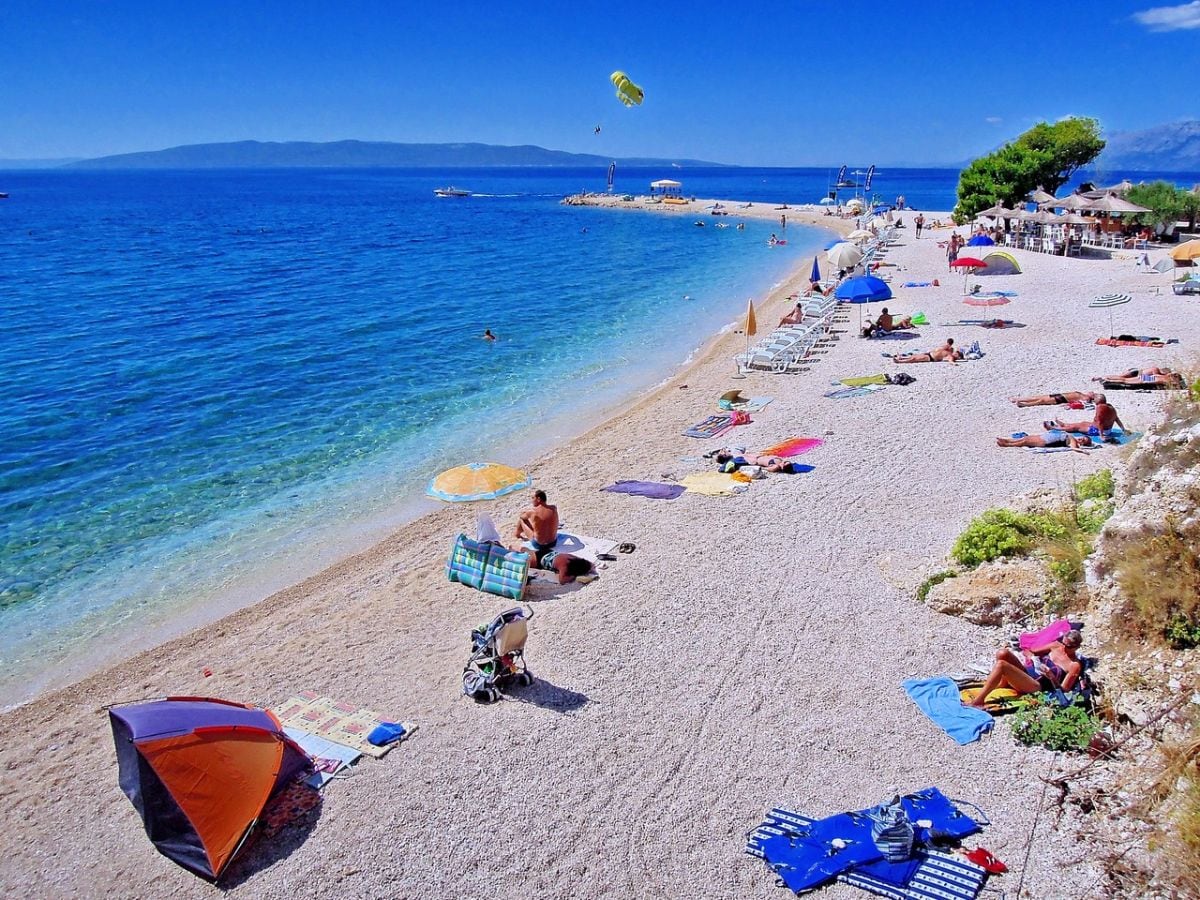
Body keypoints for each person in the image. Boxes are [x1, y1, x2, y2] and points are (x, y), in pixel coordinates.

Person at [967, 630, 1084, 709]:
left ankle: (979, 701)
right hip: (1028, 672)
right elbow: (1029, 650)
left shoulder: (1074, 665)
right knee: (1002, 653)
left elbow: (1064, 689)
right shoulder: (1055, 646)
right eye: (1063, 643)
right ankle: (1003, 683)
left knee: (1001, 665)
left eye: (1068, 647)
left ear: (1076, 647)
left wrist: (1052, 676)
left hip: (1037, 685)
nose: (1064, 648)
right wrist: (1034, 659)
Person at [1044, 395, 1127, 438]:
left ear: (1099, 401)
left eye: (1095, 401)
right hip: (1106, 429)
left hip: (1098, 430)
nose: (1094, 402)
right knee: (1082, 423)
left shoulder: (1100, 408)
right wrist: (1123, 429)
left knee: (1076, 428)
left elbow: (1100, 422)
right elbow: (1117, 419)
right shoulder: (1110, 407)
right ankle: (1063, 424)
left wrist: (1101, 435)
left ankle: (1054, 428)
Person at [514, 489, 559, 565]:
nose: (532, 501)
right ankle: (518, 534)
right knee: (540, 524)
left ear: (538, 499)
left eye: (532, 498)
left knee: (522, 520)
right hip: (553, 543)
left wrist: (524, 512)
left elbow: (522, 516)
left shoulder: (532, 511)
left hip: (539, 545)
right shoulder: (553, 508)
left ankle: (517, 534)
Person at [711, 449, 803, 474]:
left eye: (785, 463)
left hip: (756, 461)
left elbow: (769, 469)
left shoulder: (776, 466)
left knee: (738, 456)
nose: (785, 461)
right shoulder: (780, 461)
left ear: (782, 467)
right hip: (758, 457)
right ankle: (722, 454)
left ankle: (720, 456)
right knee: (739, 454)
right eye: (787, 462)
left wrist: (760, 468)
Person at [996, 432, 1095, 452]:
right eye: (1083, 438)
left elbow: (1075, 448)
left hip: (1048, 441)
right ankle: (1007, 440)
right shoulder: (1073, 436)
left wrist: (1083, 451)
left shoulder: (1073, 441)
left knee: (1025, 441)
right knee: (1026, 439)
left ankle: (1007, 444)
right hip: (1047, 437)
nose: (1081, 439)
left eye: (1083, 441)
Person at [893, 338, 961, 364]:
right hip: (930, 353)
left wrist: (954, 363)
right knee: (914, 356)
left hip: (930, 358)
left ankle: (899, 361)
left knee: (914, 359)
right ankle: (901, 357)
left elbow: (950, 360)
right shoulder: (949, 349)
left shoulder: (950, 352)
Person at [1011, 390, 1098, 408]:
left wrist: (1067, 405)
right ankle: (1018, 399)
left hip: (1061, 399)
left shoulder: (1086, 398)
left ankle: (1023, 404)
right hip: (1061, 395)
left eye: (1093, 394)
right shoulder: (1084, 395)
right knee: (1039, 397)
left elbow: (1083, 404)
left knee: (1041, 401)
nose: (1092, 392)